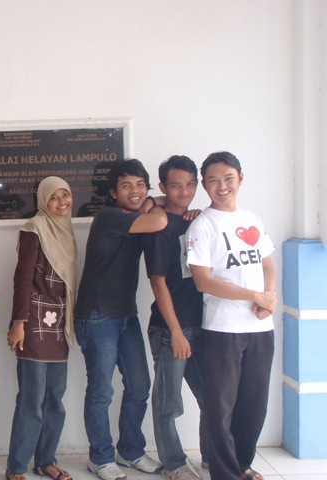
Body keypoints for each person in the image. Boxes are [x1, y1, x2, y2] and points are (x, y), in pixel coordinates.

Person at [186, 152, 276, 480]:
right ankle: (225, 474)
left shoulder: (252, 219)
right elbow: (203, 281)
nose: (222, 185)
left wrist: (269, 299)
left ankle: (242, 465)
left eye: (228, 178)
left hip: (261, 328)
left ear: (240, 178)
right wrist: (254, 296)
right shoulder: (202, 226)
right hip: (223, 329)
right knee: (220, 408)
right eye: (213, 180)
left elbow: (267, 265)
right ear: (204, 185)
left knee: (254, 404)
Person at [74, 159, 166, 480]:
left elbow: (162, 205)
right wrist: (152, 204)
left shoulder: (137, 214)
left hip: (126, 314)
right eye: (127, 186)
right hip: (97, 315)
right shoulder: (109, 216)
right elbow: (159, 221)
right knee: (101, 391)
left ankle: (130, 450)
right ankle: (100, 457)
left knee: (140, 385)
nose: (135, 191)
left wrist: (152, 202)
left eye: (141, 185)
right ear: (113, 192)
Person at [5, 176, 77, 480]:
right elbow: (22, 280)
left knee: (55, 399)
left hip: (59, 324)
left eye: (65, 195)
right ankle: (16, 467)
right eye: (54, 197)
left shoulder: (65, 230)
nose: (61, 202)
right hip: (33, 323)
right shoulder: (34, 228)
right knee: (31, 399)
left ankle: (46, 460)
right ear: (43, 201)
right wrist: (18, 322)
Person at [142, 156, 208, 480]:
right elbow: (158, 283)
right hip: (171, 330)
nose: (184, 192)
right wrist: (177, 332)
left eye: (190, 184)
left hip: (200, 325)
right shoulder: (158, 226)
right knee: (169, 403)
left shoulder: (198, 220)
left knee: (211, 397)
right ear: (163, 187)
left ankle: (211, 454)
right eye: (176, 185)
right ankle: (174, 463)